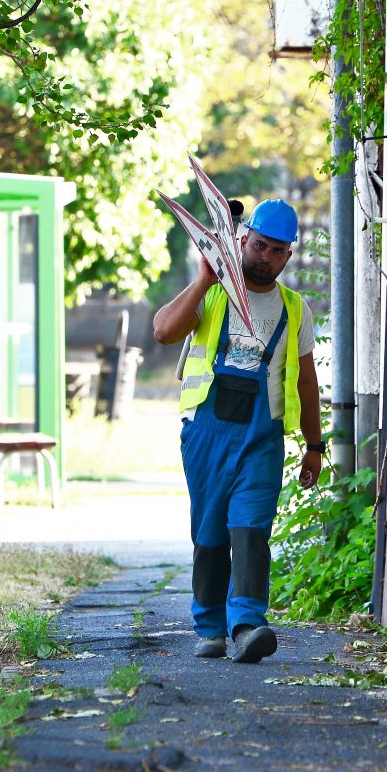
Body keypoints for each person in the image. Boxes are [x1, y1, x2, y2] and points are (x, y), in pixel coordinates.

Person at [152, 198, 325, 663]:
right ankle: (210, 626)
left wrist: (314, 445)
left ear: (288, 256)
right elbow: (163, 331)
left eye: (277, 250)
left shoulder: (295, 309)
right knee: (210, 534)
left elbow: (307, 383)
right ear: (243, 240)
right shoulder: (213, 294)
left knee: (250, 530)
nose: (265, 256)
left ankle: (247, 625)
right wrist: (204, 279)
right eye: (259, 245)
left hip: (261, 439)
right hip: (205, 435)